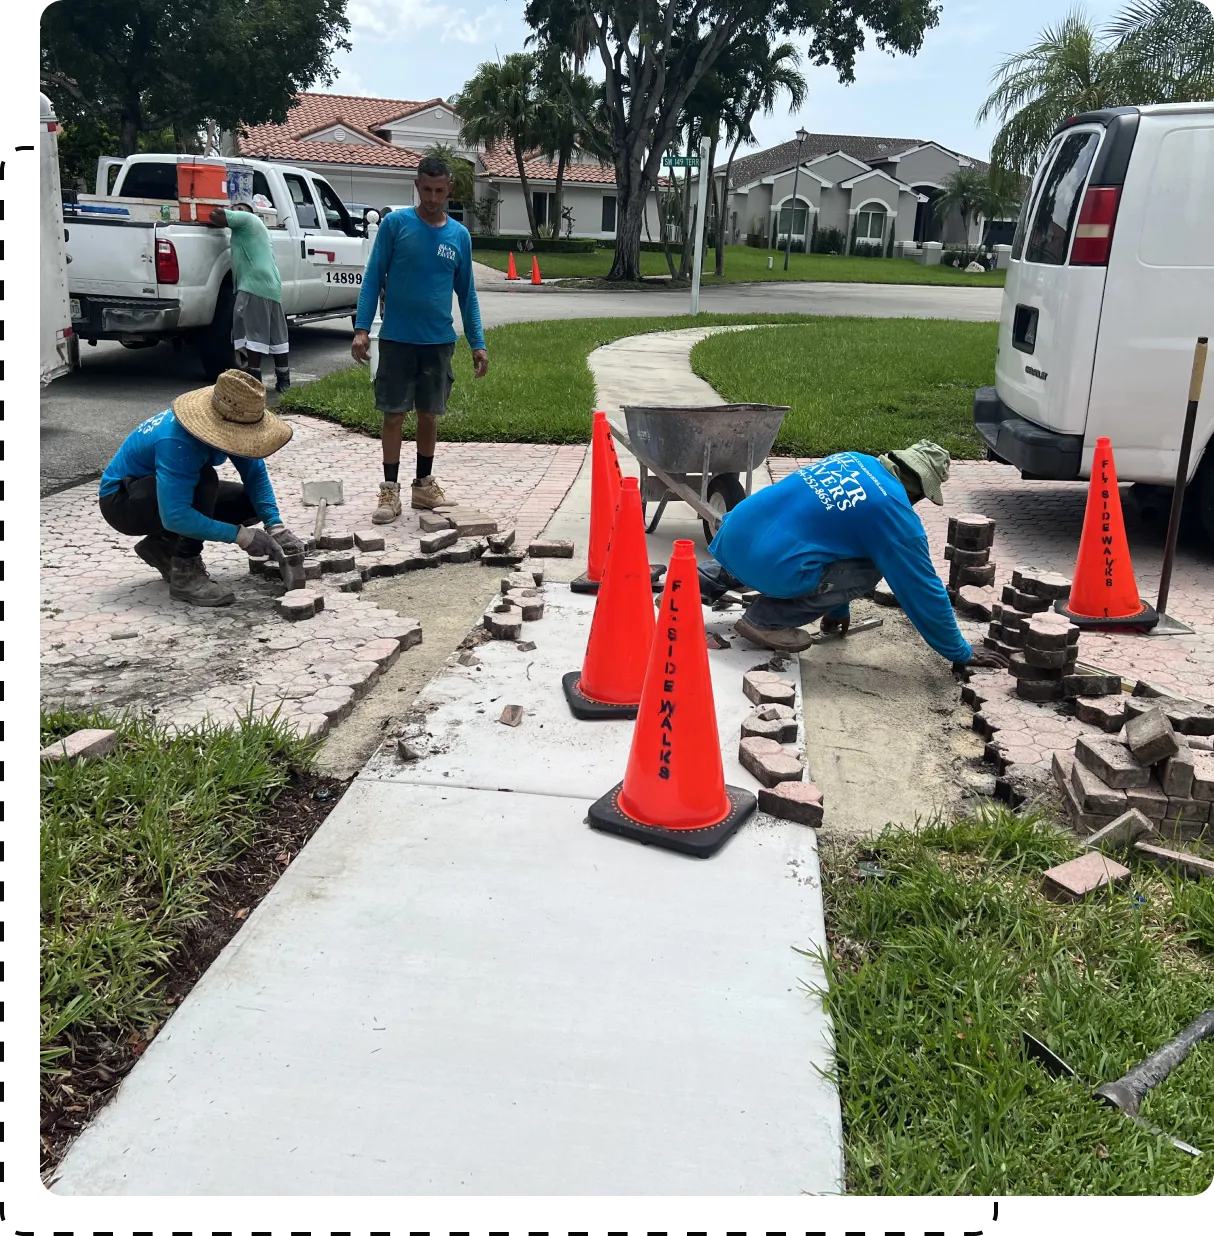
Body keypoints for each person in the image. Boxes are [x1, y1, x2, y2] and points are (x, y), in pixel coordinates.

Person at [700, 439, 1009, 670]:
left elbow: (834, 537)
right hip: (771, 567)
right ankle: (765, 621)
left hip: (733, 537)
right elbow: (923, 589)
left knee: (781, 544)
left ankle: (688, 585)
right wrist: (959, 651)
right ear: (918, 490)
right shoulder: (893, 512)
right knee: (874, 568)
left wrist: (837, 609)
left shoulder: (850, 459)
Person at [351, 155, 488, 522]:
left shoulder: (458, 236)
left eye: (439, 191)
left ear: (450, 190)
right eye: (426, 189)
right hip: (397, 339)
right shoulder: (396, 225)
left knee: (429, 414)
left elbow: (467, 294)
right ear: (416, 186)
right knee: (393, 414)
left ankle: (424, 486)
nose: (431, 198)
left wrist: (478, 343)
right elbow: (373, 278)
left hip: (438, 341)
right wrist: (362, 330)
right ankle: (389, 490)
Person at [98, 369, 306, 606]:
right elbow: (175, 516)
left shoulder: (235, 415)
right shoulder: (177, 440)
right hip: (122, 502)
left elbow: (255, 474)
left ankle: (162, 546)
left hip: (160, 491)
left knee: (249, 503)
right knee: (204, 481)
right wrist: (243, 537)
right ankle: (185, 573)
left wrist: (275, 525)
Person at [206, 201, 290, 397]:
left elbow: (215, 215)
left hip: (254, 284)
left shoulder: (247, 219)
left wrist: (220, 208)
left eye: (237, 209)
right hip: (271, 285)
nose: (233, 211)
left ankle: (254, 379)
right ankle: (283, 379)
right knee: (277, 334)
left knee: (253, 332)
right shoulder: (257, 230)